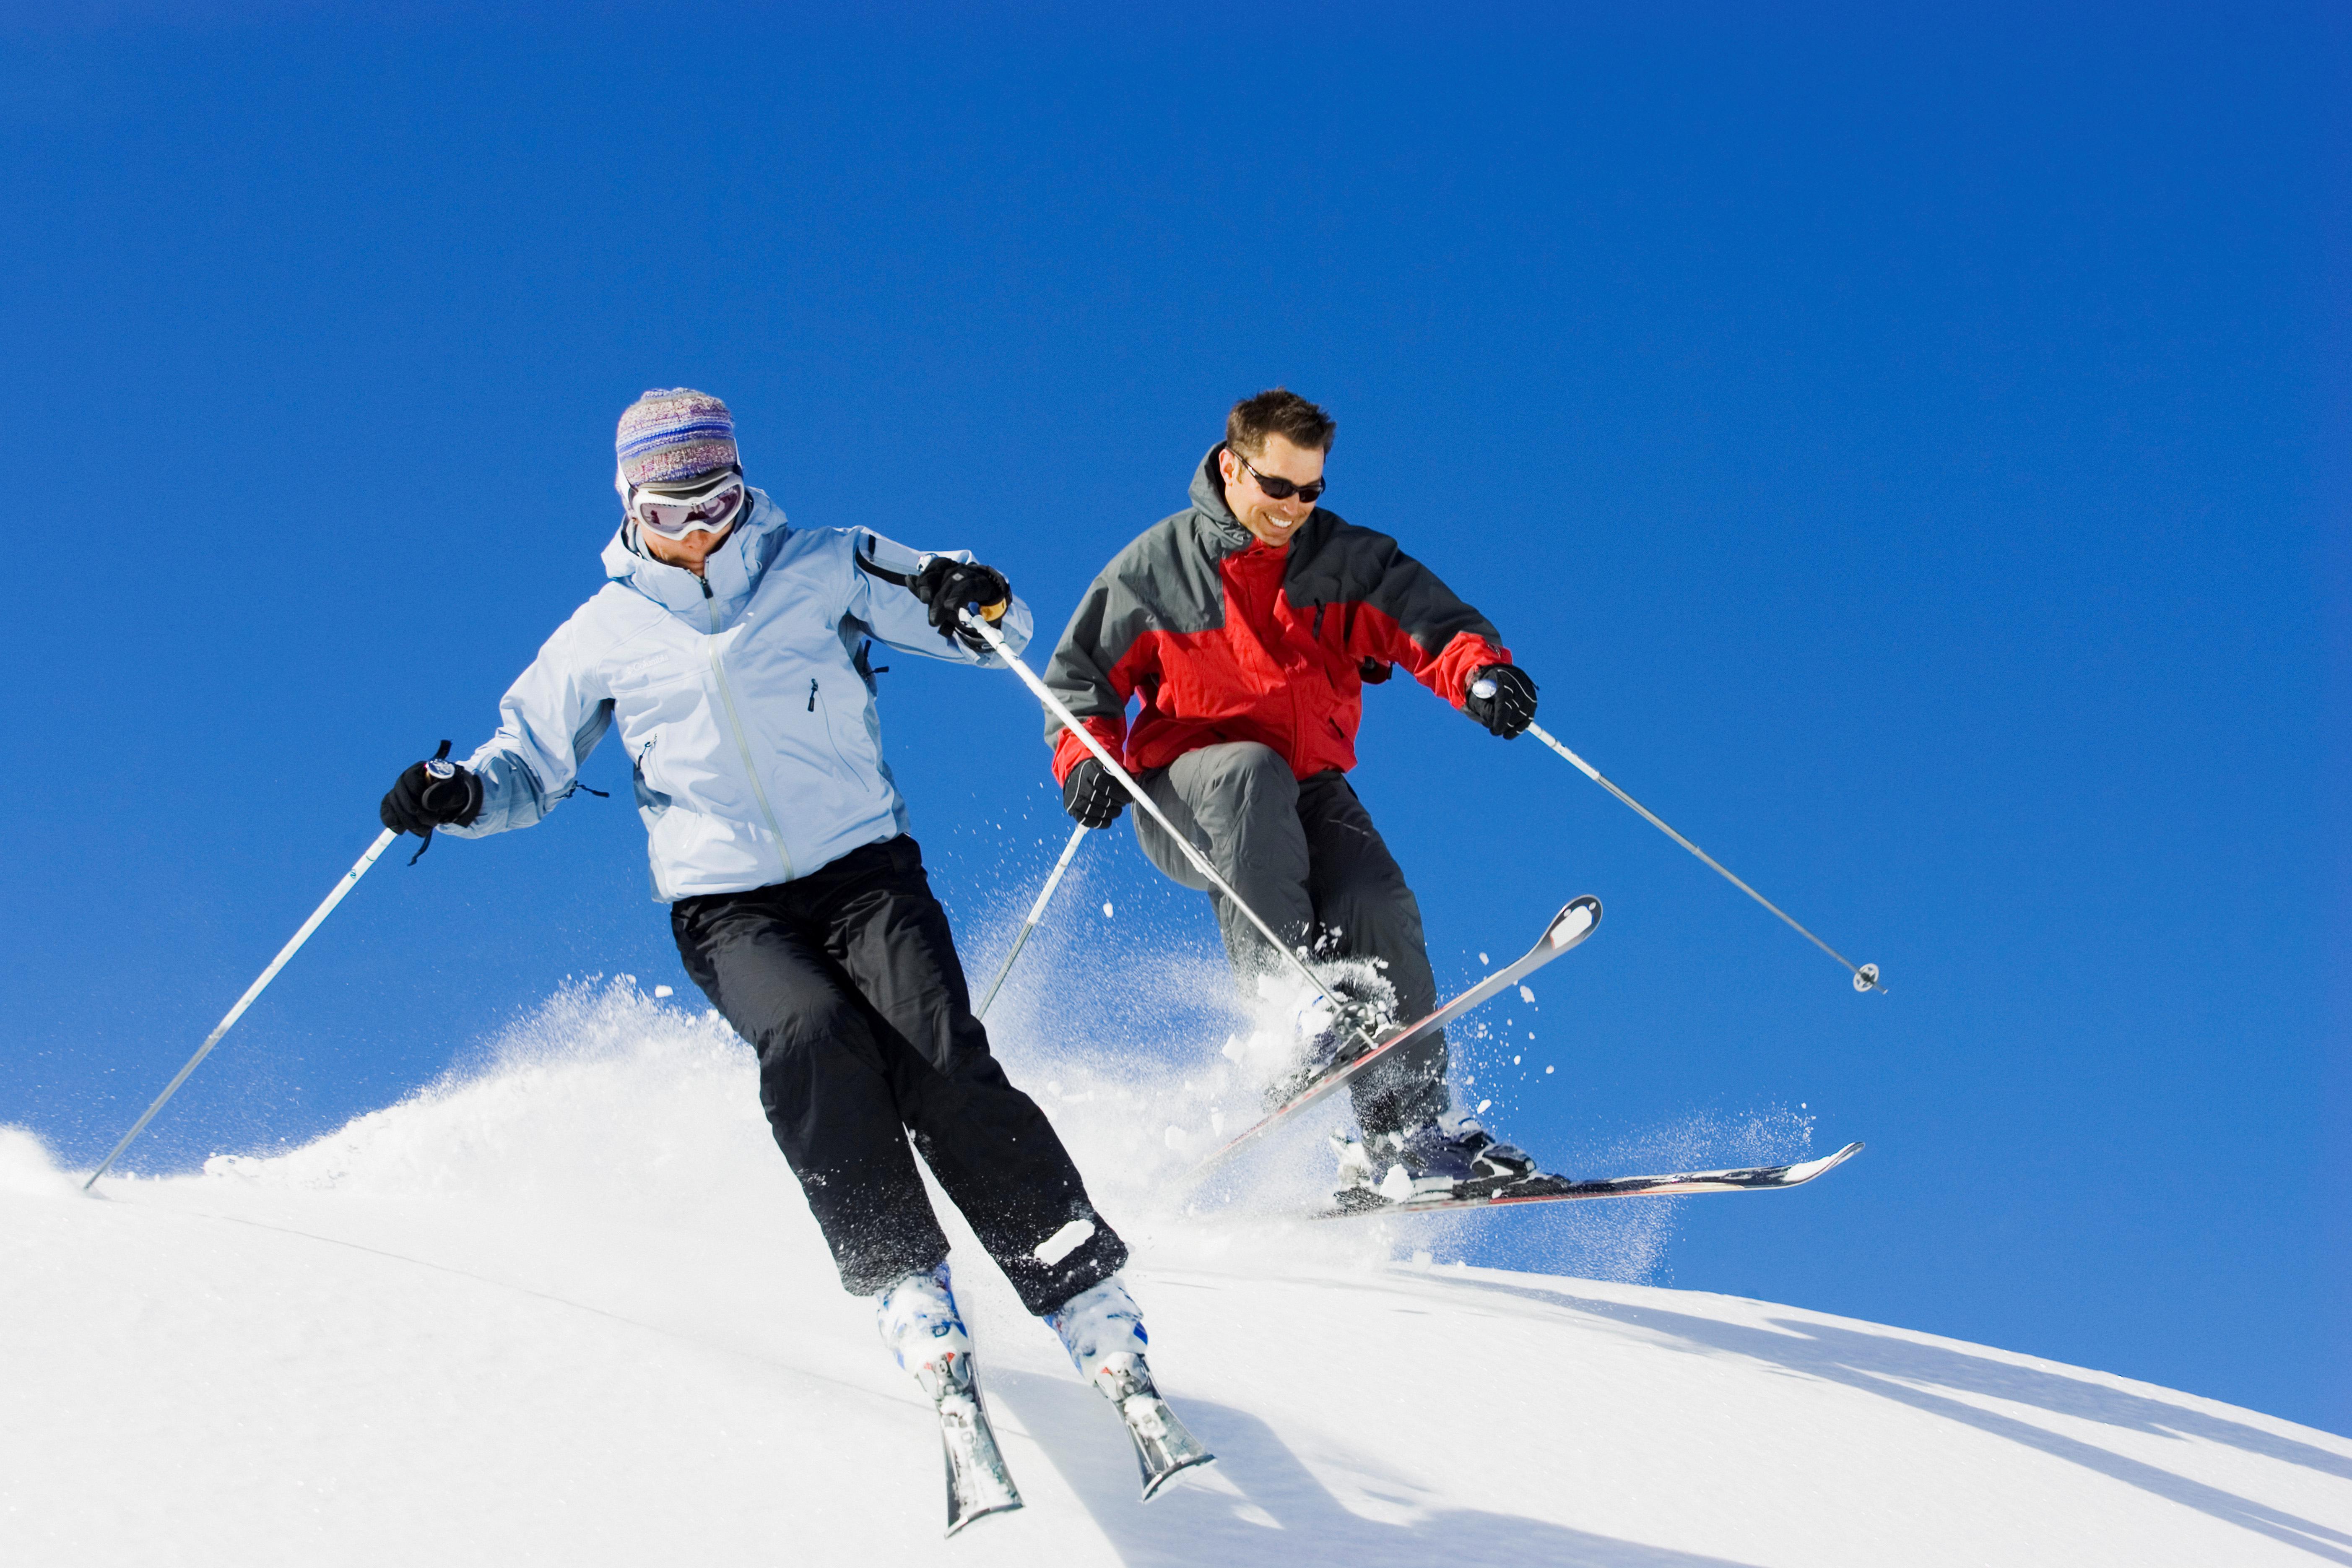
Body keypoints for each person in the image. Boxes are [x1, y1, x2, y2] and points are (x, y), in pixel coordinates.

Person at [379, 387, 1160, 1428]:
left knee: (936, 1054)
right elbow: (528, 763)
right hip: (727, 905)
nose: (700, 534)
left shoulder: (824, 562)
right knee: (809, 1035)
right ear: (630, 509)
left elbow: (986, 625)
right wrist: (461, 790)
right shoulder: (600, 635)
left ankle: (1080, 1286)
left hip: (865, 870)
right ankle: (903, 1278)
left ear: (744, 487)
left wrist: (971, 594)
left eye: (718, 502)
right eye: (671, 514)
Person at [1041, 388, 1544, 1199]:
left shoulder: (1339, 560)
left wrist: (1479, 673)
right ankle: (1289, 1011)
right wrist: (1085, 760)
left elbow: (1424, 619)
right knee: (1247, 771)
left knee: (1375, 899)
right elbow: (1080, 680)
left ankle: (1406, 1131)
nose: (1293, 509)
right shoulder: (1155, 570)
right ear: (1232, 467)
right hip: (1192, 797)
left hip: (1307, 791)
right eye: (1278, 488)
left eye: (1311, 491)